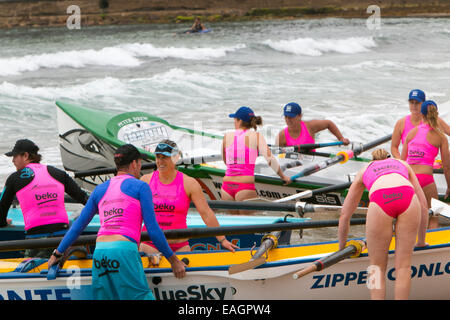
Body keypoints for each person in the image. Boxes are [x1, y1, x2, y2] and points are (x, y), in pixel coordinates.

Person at [48, 144, 186, 300]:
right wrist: (174, 260)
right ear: (135, 164)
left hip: (100, 253)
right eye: (139, 163)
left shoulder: (99, 190)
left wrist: (57, 253)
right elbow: (153, 230)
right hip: (123, 251)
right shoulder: (141, 186)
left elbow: (78, 227)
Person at [338, 149, 428, 300]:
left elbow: (344, 216)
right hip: (408, 197)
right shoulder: (402, 163)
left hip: (381, 200)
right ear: (389, 157)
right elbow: (424, 206)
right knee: (404, 267)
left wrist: (341, 249)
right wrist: (421, 242)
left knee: (376, 269)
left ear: (372, 161)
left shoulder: (364, 170)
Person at [139, 140, 238, 254]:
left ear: (176, 158)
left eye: (165, 157)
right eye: (158, 157)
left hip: (180, 246)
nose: (160, 161)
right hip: (151, 244)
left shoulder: (189, 183)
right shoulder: (146, 181)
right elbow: (136, 214)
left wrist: (223, 240)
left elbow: (206, 213)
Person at [0, 139, 89, 258]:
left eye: (15, 156)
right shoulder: (58, 173)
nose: (13, 160)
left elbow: (1, 212)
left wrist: (3, 222)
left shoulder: (14, 178)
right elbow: (85, 199)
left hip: (36, 239)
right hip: (64, 238)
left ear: (25, 156)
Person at [221, 106, 291, 213]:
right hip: (244, 186)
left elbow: (226, 161)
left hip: (226, 187)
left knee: (233, 226)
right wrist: (283, 176)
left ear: (239, 121)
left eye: (234, 120)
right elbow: (270, 159)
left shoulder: (227, 136)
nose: (234, 122)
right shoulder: (256, 136)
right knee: (248, 227)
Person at [401, 100, 450, 229]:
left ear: (421, 115)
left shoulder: (411, 133)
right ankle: (428, 242)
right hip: (426, 178)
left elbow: (402, 161)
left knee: (407, 215)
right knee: (433, 214)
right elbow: (447, 167)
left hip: (409, 178)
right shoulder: (441, 137)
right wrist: (449, 187)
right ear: (436, 114)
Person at [391, 89, 450, 159]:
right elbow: (394, 147)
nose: (414, 105)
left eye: (417, 103)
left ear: (423, 104)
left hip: (428, 164)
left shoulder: (434, 120)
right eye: (411, 102)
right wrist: (401, 162)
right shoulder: (401, 123)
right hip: (409, 164)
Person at [276, 102, 350, 148]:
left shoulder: (310, 126)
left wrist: (341, 138)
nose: (288, 120)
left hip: (311, 163)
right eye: (286, 117)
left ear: (300, 116)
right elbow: (278, 156)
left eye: (291, 117)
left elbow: (328, 123)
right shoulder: (282, 135)